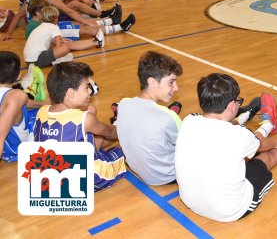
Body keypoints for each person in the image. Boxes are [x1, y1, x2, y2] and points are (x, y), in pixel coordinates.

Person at [175, 74, 277, 222]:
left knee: (245, 145)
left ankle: (268, 125)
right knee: (264, 158)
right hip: (232, 210)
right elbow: (260, 145)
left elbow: (241, 138)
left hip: (189, 200)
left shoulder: (188, 120)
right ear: (231, 106)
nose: (238, 103)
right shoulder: (239, 135)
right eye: (238, 101)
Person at [34, 62, 127, 191]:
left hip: (51, 177)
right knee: (124, 146)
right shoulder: (85, 120)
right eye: (86, 87)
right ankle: (119, 123)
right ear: (71, 93)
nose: (89, 91)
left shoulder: (42, 111)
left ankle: (116, 124)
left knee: (91, 112)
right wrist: (127, 129)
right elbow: (111, 133)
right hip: (87, 179)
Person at [115, 51, 184, 186]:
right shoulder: (168, 118)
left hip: (139, 171)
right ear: (152, 82)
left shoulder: (123, 104)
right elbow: (189, 147)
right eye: (171, 82)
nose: (176, 88)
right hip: (166, 177)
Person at [24, 6, 103, 67]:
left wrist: (61, 42)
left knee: (66, 44)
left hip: (30, 61)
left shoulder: (41, 26)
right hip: (36, 60)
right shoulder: (54, 27)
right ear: (55, 18)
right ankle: (96, 42)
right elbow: (59, 47)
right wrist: (63, 45)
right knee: (67, 45)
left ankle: (96, 41)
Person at [0, 51, 43, 162]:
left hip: (6, 144)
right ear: (19, 75)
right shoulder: (17, 96)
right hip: (14, 149)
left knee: (38, 107)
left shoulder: (17, 98)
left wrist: (43, 104)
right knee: (49, 116)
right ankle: (32, 89)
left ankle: (33, 92)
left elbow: (25, 103)